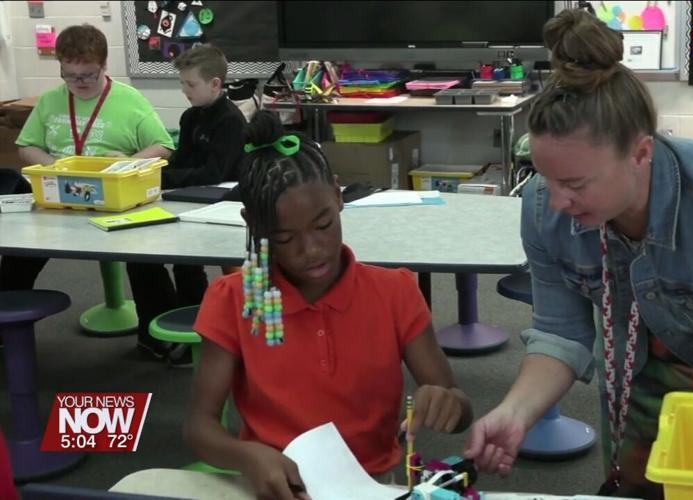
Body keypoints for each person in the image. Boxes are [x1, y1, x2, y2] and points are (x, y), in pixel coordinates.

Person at [464, 9, 693, 499]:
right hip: (643, 346)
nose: (557, 200)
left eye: (575, 183)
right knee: (642, 485)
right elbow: (561, 332)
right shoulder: (544, 206)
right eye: (546, 177)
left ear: (640, 153)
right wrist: (515, 412)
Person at [184, 110, 472, 500]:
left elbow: (458, 406)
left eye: (323, 225)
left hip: (372, 487)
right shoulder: (232, 301)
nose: (311, 249)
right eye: (284, 238)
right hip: (276, 488)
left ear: (338, 195)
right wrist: (246, 456)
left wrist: (447, 403)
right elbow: (200, 427)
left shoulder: (396, 293)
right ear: (253, 223)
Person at [1, 24, 173, 294]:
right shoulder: (50, 100)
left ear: (104, 65)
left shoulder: (130, 100)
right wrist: (53, 165)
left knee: (145, 260)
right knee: (17, 258)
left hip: (117, 201)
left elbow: (163, 146)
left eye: (88, 75)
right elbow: (26, 146)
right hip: (58, 200)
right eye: (69, 76)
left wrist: (127, 163)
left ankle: (155, 322)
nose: (79, 83)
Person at [125, 45, 247, 366]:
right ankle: (158, 330)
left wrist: (163, 177)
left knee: (186, 263)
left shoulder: (231, 121)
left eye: (190, 84)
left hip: (218, 210)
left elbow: (213, 174)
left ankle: (194, 332)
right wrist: (148, 171)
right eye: (182, 83)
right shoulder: (190, 116)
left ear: (215, 84)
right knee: (138, 258)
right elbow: (182, 162)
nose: (184, 90)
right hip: (185, 201)